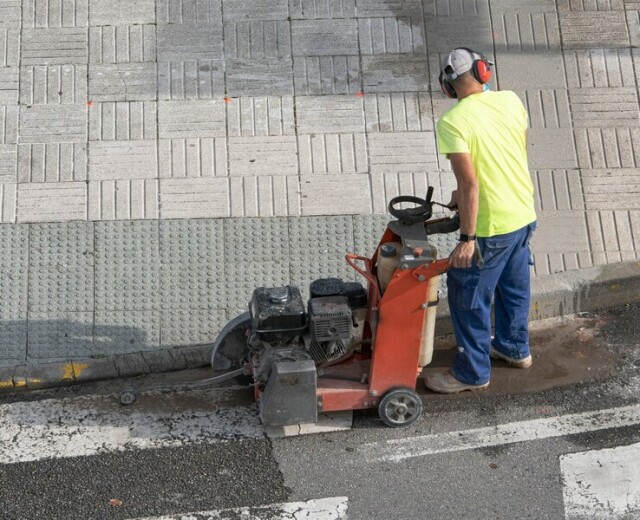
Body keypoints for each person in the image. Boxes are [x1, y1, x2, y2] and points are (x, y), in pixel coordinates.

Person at [425, 47, 537, 394]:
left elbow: (470, 182)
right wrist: (462, 195)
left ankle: (471, 372)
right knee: (513, 286)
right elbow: (514, 151)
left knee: (465, 290)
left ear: (448, 86)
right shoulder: (510, 100)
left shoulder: (452, 122)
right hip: (523, 214)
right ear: (483, 72)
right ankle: (514, 348)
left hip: (491, 228)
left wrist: (467, 238)